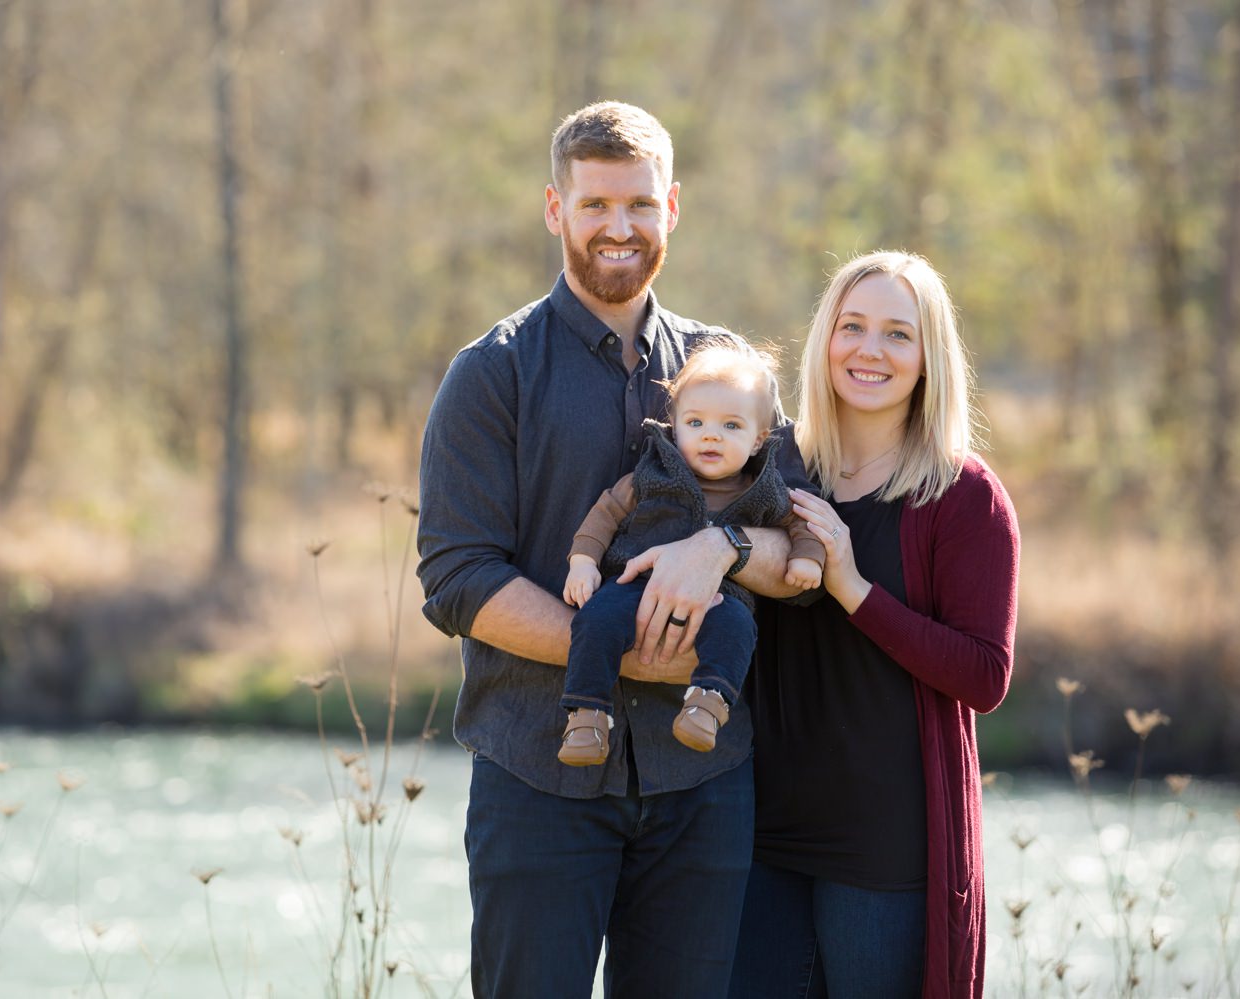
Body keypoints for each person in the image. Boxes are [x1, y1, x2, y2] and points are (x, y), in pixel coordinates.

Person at [416, 102, 807, 998]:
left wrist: (725, 546)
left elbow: (796, 544)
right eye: (595, 205)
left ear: (673, 205)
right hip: (536, 770)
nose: (618, 227)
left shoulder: (729, 374)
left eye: (638, 203)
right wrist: (623, 654)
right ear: (556, 209)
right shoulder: (493, 372)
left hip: (701, 781)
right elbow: (455, 576)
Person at [729, 250, 1020, 999]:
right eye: (852, 326)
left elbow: (985, 676)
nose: (869, 349)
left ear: (929, 358)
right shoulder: (776, 468)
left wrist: (853, 588)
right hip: (763, 833)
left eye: (898, 333)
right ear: (826, 338)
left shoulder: (963, 497)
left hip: (887, 856)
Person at [558, 337, 824, 766]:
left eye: (731, 427)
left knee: (738, 630)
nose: (711, 436)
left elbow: (799, 521)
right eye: (696, 423)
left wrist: (807, 557)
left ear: (758, 440)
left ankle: (708, 703)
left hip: (719, 599)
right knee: (595, 621)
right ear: (675, 425)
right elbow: (607, 511)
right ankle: (586, 713)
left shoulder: (763, 487)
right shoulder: (654, 470)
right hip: (634, 584)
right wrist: (583, 561)